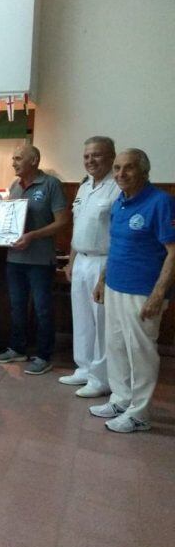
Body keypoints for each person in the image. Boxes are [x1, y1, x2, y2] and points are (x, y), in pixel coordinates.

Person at [90, 149, 175, 433]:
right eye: (116, 168)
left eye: (128, 168)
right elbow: (116, 246)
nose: (120, 174)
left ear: (144, 171)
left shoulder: (160, 202)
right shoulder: (120, 203)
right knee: (115, 346)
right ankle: (121, 398)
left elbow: (173, 252)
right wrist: (103, 280)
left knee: (140, 352)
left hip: (142, 292)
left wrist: (159, 293)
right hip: (116, 285)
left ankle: (139, 414)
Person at [0, 145, 69, 374]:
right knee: (16, 306)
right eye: (13, 158)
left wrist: (33, 235)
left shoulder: (50, 184)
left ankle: (44, 355)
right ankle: (17, 348)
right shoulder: (14, 186)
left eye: (18, 158)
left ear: (34, 160)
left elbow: (62, 221)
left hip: (40, 260)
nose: (13, 163)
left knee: (42, 308)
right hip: (15, 258)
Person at [61, 137, 119, 397]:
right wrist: (71, 261)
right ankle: (83, 368)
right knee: (82, 317)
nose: (90, 161)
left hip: (103, 261)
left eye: (96, 155)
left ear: (111, 157)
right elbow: (78, 227)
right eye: (86, 156)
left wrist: (105, 276)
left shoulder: (117, 189)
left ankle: (101, 378)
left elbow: (118, 235)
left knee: (101, 320)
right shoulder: (84, 187)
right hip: (81, 260)